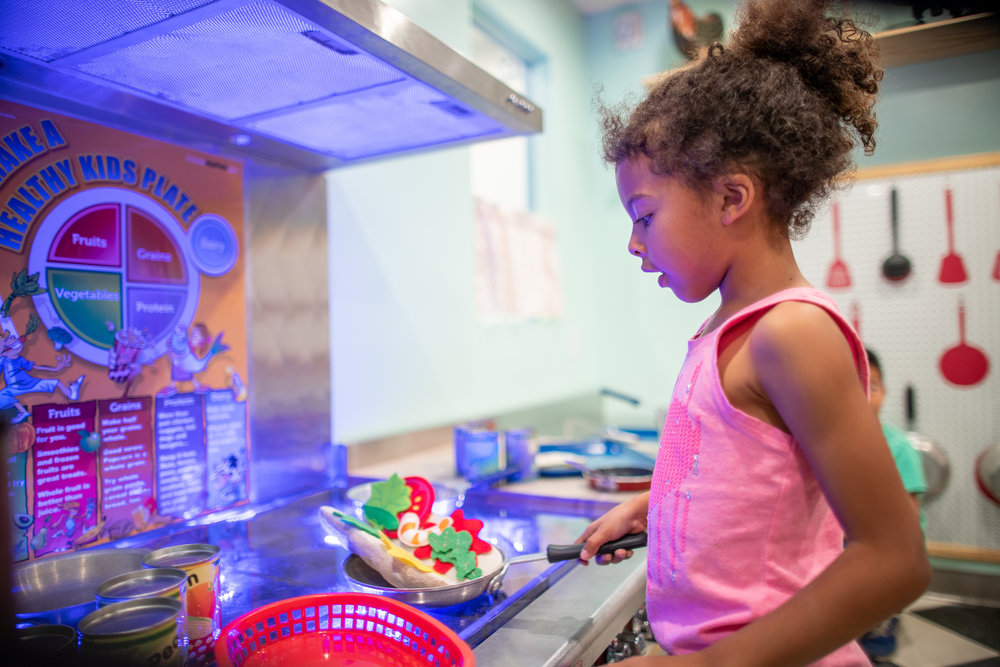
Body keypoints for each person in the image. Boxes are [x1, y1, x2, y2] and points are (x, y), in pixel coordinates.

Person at [575, 1, 930, 664]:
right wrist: (652, 505)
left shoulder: (792, 333)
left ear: (732, 198)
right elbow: (744, 474)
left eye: (645, 215)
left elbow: (895, 558)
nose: (632, 241)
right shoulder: (722, 330)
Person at [858, 348, 928, 660]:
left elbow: (908, 525)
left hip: (889, 543)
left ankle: (882, 618)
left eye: (872, 386)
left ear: (885, 393)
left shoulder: (899, 448)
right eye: (855, 385)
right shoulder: (825, 443)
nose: (865, 395)